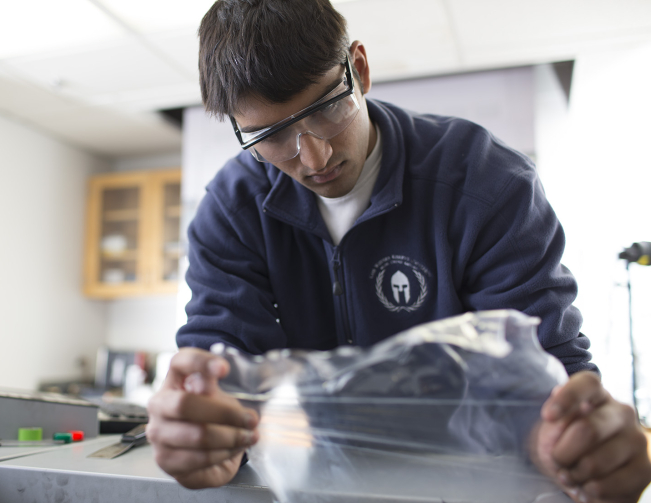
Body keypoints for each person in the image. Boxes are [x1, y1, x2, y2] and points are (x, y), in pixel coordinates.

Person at [146, 0, 651, 500]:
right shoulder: (232, 209)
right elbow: (221, 371)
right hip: (307, 480)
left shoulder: (488, 183)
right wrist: (208, 444)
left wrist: (575, 445)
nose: (314, 157)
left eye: (325, 107)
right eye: (270, 135)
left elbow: (542, 371)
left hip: (470, 481)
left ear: (359, 70)